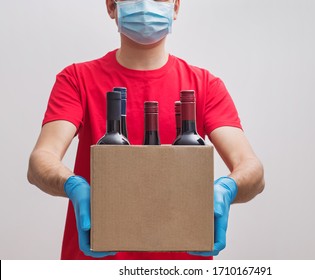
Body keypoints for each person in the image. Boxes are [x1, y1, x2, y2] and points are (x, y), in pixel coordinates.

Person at [27, 0, 265, 260]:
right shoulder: (76, 80)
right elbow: (42, 159)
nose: (145, 3)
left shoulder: (205, 86)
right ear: (111, 6)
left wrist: (227, 188)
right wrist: (72, 185)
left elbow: (250, 167)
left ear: (175, 7)